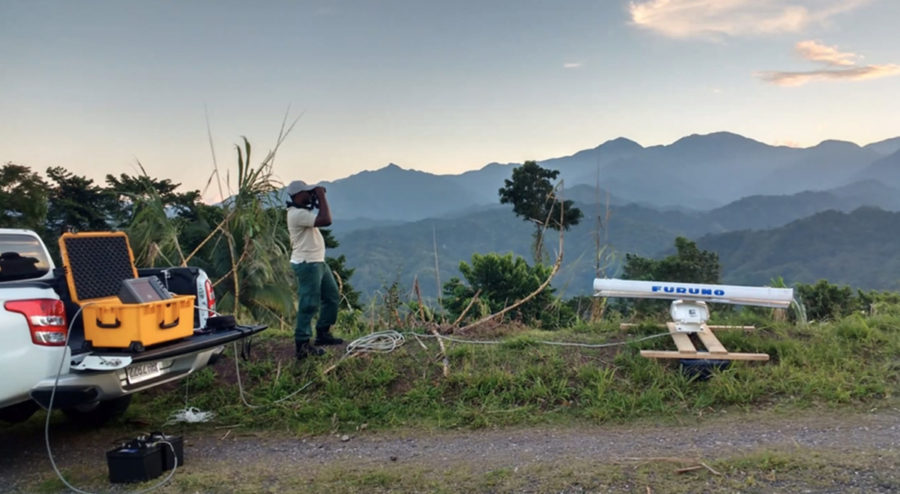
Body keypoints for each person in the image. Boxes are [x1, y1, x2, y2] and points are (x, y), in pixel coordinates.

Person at [285, 180, 344, 360]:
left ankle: (322, 333)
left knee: (332, 296)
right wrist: (321, 196)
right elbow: (326, 220)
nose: (310, 195)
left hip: (317, 262)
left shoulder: (302, 212)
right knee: (309, 303)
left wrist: (317, 196)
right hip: (307, 263)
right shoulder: (296, 214)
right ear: (297, 195)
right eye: (307, 192)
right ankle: (302, 343)